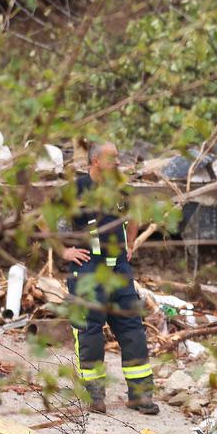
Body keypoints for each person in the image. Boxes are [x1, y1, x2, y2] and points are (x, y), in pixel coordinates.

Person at [61, 142, 159, 416]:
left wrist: (130, 245)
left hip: (120, 271)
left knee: (133, 331)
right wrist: (63, 251)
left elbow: (134, 217)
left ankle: (140, 396)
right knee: (90, 333)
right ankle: (94, 396)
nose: (117, 162)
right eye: (112, 158)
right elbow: (44, 221)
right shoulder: (76, 189)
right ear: (95, 161)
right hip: (89, 270)